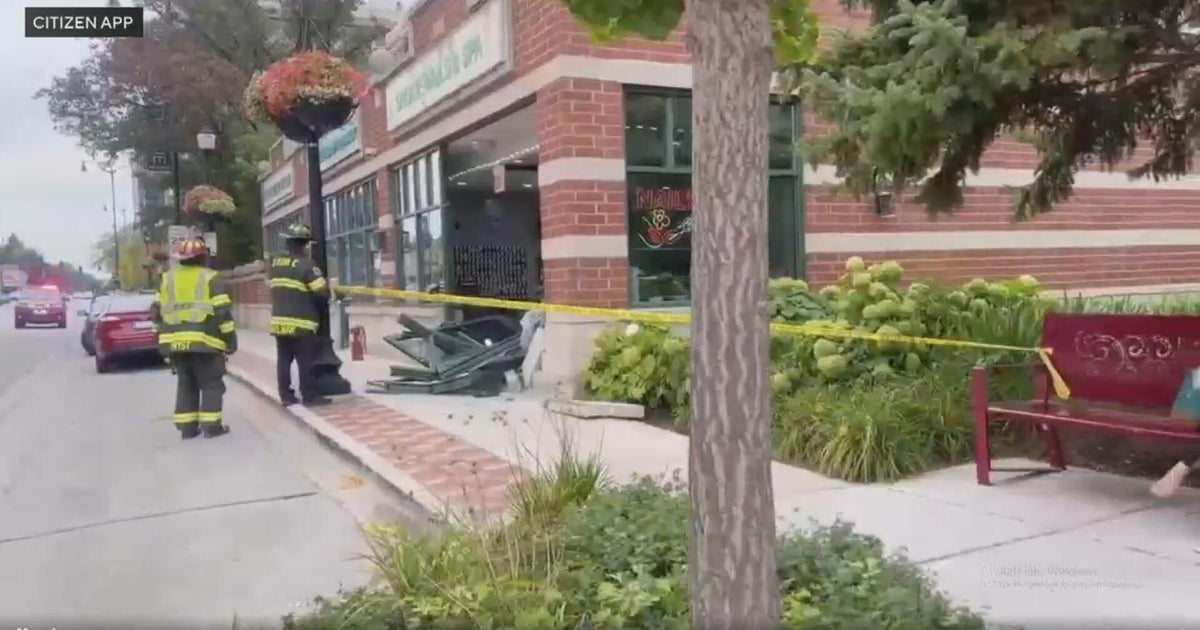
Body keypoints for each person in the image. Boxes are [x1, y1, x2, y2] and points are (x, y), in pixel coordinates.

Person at [151, 236, 237, 439]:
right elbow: (222, 313)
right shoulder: (211, 278)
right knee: (211, 383)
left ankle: (188, 428)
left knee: (186, 383)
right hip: (205, 342)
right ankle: (211, 426)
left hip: (175, 343)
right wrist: (230, 340)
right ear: (202, 257)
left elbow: (156, 312)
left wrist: (159, 339)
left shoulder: (167, 279)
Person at [269, 223, 332, 407]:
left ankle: (286, 395)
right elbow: (322, 292)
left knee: (284, 360)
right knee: (305, 361)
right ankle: (310, 396)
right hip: (301, 322)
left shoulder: (276, 264)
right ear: (304, 244)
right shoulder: (306, 265)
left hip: (279, 322)